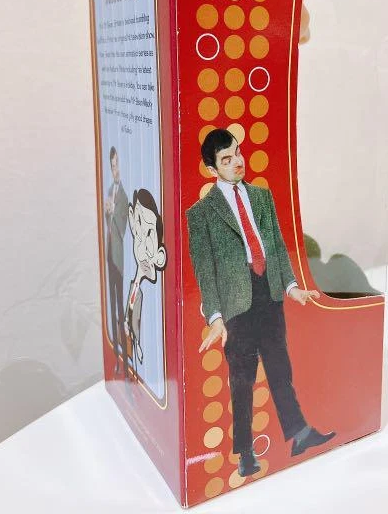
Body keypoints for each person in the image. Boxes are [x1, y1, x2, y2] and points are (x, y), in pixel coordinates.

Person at [186, 129, 336, 477]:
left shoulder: (262, 197)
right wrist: (215, 316)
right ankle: (245, 453)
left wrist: (292, 286)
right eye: (226, 159)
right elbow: (204, 270)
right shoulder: (202, 213)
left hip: (268, 292)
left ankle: (299, 434)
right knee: (242, 380)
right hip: (236, 304)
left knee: (280, 368)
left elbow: (278, 246)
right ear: (212, 169)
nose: (237, 162)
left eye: (237, 152)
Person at [124, 189, 167, 370]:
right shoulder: (134, 286)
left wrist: (138, 346)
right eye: (139, 228)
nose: (141, 245)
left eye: (149, 233)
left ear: (160, 255)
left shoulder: (151, 294)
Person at [104, 146, 129, 377]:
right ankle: (116, 359)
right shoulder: (110, 190)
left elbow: (122, 228)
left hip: (119, 259)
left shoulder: (123, 196)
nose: (115, 170)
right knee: (111, 307)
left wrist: (112, 213)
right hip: (109, 256)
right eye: (112, 166)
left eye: (117, 165)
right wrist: (107, 213)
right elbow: (108, 226)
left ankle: (125, 361)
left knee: (121, 308)